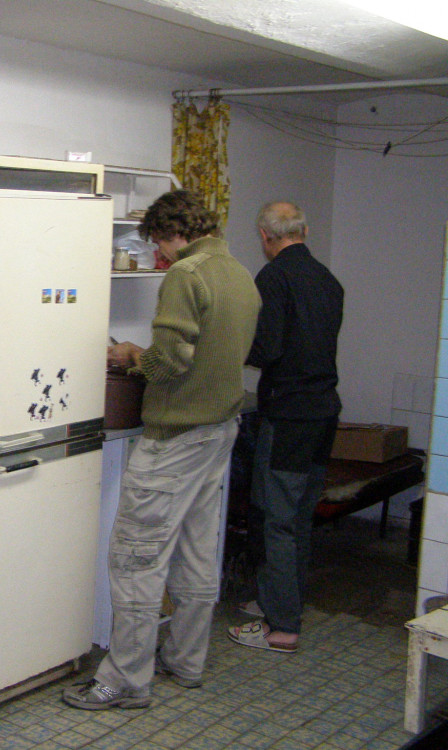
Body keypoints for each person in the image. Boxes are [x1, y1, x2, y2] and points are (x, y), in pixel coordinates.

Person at [63, 190, 261, 710]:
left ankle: (126, 681)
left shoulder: (186, 274)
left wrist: (133, 357)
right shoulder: (239, 273)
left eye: (158, 244)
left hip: (175, 439)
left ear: (173, 233)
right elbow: (211, 351)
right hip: (219, 429)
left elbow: (171, 361)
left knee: (136, 559)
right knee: (197, 551)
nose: (159, 255)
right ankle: (186, 660)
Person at [228, 201, 343, 654]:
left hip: (290, 414)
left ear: (264, 236)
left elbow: (268, 350)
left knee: (276, 518)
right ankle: (281, 601)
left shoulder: (273, 278)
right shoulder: (328, 280)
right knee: (298, 516)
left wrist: (232, 343)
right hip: (324, 412)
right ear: (305, 230)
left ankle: (281, 628)